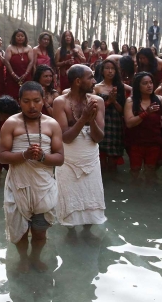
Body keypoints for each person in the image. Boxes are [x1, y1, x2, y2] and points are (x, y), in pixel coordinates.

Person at [0, 81, 64, 273]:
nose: (32, 106)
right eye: (26, 101)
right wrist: (24, 155)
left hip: (43, 187)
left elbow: (60, 159)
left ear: (44, 101)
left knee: (39, 231)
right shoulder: (11, 123)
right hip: (17, 185)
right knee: (19, 232)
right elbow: (2, 156)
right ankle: (23, 259)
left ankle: (35, 258)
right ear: (19, 101)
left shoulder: (52, 124)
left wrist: (42, 156)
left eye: (36, 100)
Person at [53, 65, 106, 236]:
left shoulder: (98, 101)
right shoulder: (60, 102)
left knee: (91, 196)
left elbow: (98, 137)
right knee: (69, 197)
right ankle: (70, 231)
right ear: (78, 81)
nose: (94, 81)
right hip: (68, 159)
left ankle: (87, 231)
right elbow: (65, 137)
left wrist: (91, 121)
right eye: (90, 77)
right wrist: (83, 118)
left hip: (90, 157)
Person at [94, 60, 131, 174]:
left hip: (115, 123)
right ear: (102, 71)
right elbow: (95, 109)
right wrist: (109, 101)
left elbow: (121, 111)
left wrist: (114, 102)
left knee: (113, 160)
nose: (110, 71)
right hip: (101, 121)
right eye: (107, 68)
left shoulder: (120, 86)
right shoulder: (96, 88)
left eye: (113, 68)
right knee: (100, 158)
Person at [0, 95, 20, 179]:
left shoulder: (17, 111)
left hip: (11, 136)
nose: (6, 118)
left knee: (10, 161)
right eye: (5, 115)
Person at [5, 29, 34, 100]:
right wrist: (13, 74)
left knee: (26, 95)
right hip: (12, 77)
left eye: (22, 36)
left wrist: (26, 74)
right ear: (14, 37)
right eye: (18, 36)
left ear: (25, 37)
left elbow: (31, 61)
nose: (20, 38)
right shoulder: (10, 47)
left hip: (26, 76)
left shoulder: (29, 48)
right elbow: (6, 61)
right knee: (12, 95)